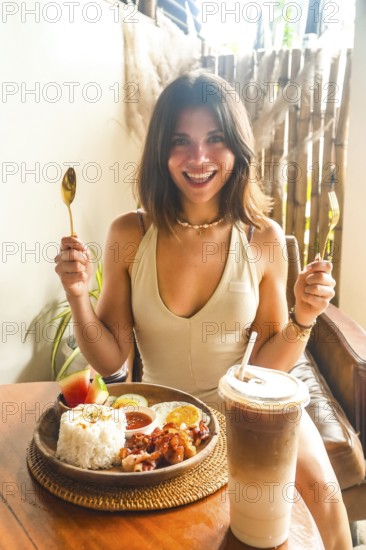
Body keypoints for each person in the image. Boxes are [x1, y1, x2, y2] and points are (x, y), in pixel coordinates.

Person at [55, 71, 352, 549]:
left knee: (328, 515)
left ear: (236, 147)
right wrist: (76, 293)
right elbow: (112, 363)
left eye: (215, 139)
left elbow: (264, 370)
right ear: (160, 152)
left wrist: (303, 317)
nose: (199, 158)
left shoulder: (263, 240)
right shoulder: (128, 235)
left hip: (251, 417)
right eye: (181, 141)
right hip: (161, 427)